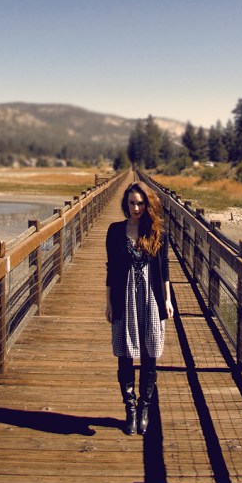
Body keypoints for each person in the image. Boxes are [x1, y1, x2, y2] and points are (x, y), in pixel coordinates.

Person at [105, 181, 174, 435]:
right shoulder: (115, 231)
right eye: (132, 203)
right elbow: (111, 268)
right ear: (126, 204)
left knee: (149, 353)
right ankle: (130, 409)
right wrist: (109, 302)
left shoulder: (157, 232)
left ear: (148, 204)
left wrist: (167, 300)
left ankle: (145, 407)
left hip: (151, 298)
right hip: (125, 298)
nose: (136, 208)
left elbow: (164, 267)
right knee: (125, 354)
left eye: (140, 203)